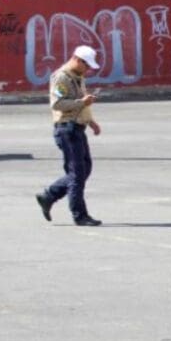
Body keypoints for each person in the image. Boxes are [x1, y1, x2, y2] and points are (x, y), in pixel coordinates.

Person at [36, 45, 103, 226]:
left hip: (78, 127)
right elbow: (57, 104)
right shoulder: (61, 77)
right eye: (86, 65)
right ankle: (79, 215)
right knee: (76, 174)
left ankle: (49, 195)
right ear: (76, 59)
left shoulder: (78, 77)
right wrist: (81, 102)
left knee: (84, 169)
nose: (88, 69)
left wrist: (91, 122)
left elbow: (81, 104)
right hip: (66, 129)